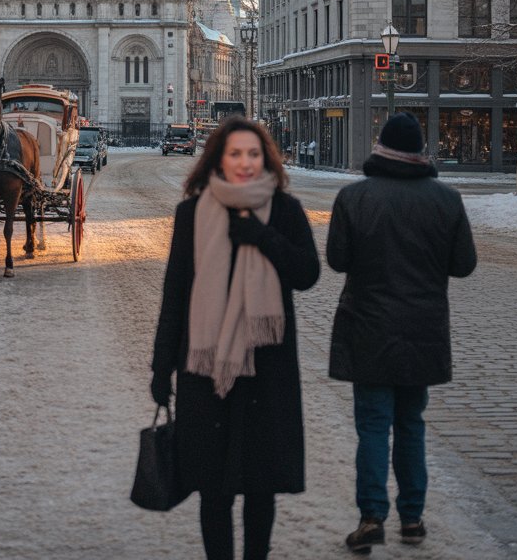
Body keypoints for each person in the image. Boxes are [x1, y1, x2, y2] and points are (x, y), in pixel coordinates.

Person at [151, 116, 320, 560]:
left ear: (265, 158)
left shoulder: (284, 210)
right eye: (235, 154)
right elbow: (176, 292)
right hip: (203, 369)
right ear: (218, 160)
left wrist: (263, 238)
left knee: (260, 487)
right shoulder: (192, 213)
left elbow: (307, 274)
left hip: (267, 367)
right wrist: (160, 366)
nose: (244, 162)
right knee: (213, 488)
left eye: (253, 154)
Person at [327, 112, 477, 553]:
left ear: (380, 147)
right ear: (419, 153)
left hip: (368, 327)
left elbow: (337, 260)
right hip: (422, 331)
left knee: (373, 426)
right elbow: (464, 265)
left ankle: (372, 515)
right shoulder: (447, 200)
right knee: (411, 424)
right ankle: (412, 518)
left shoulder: (354, 197)